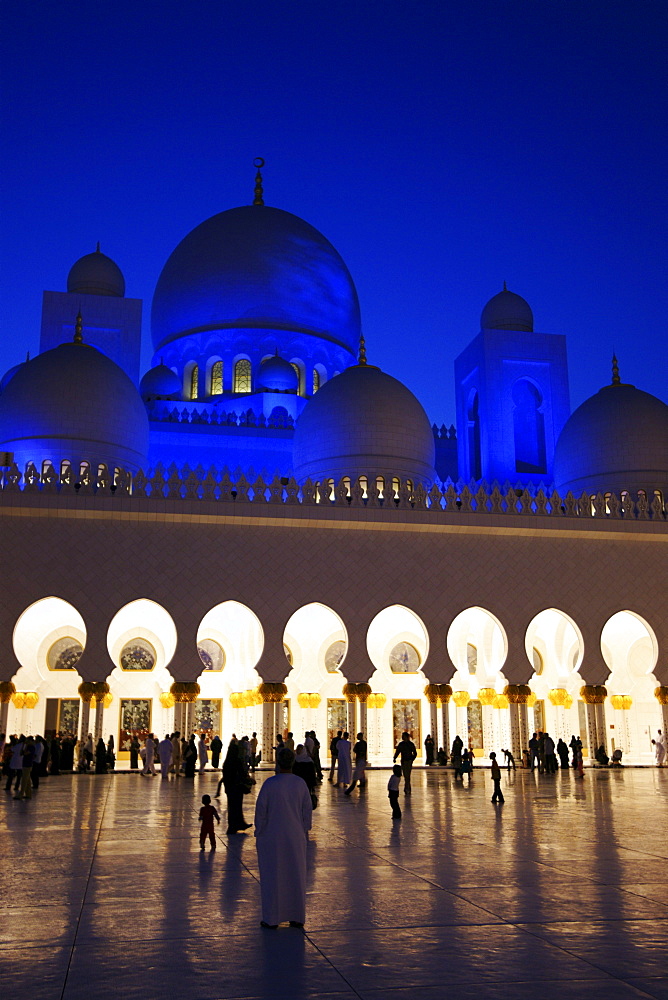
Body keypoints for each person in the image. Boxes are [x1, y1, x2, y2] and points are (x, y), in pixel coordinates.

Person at [254, 747, 312, 929]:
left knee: (273, 876)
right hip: (295, 836)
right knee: (295, 875)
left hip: (272, 836)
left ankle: (272, 918)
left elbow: (261, 812)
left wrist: (260, 831)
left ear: (278, 763)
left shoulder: (270, 784)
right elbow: (307, 811)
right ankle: (297, 917)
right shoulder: (300, 783)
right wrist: (303, 830)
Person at [219, 740, 252, 835]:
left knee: (233, 806)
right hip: (236, 787)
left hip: (230, 788)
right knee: (236, 806)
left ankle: (238, 824)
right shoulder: (236, 761)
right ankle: (234, 826)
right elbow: (241, 773)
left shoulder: (227, 762)